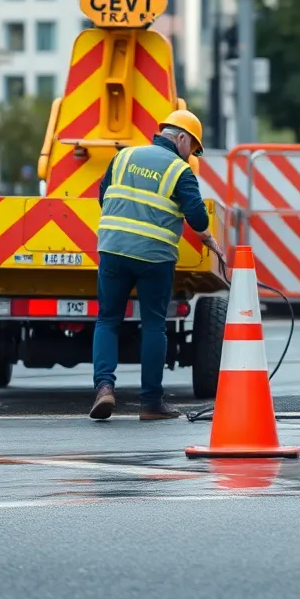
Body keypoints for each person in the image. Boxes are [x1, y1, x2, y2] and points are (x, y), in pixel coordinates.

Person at [89, 110, 225, 421]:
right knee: (153, 325)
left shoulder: (124, 157)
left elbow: (103, 195)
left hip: (113, 250)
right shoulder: (180, 171)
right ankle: (151, 403)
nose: (191, 156)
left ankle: (104, 388)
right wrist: (204, 235)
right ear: (182, 138)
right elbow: (198, 217)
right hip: (155, 258)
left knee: (108, 320)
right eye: (193, 148)